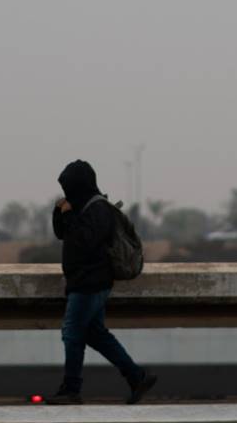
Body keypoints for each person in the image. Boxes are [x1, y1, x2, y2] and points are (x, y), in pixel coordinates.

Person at [47, 159, 157, 404]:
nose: (67, 193)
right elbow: (62, 234)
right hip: (83, 281)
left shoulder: (98, 210)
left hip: (91, 283)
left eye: (70, 188)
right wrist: (60, 212)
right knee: (95, 334)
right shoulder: (80, 207)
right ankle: (137, 377)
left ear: (80, 185)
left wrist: (68, 217)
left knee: (72, 333)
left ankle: (71, 390)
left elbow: (83, 242)